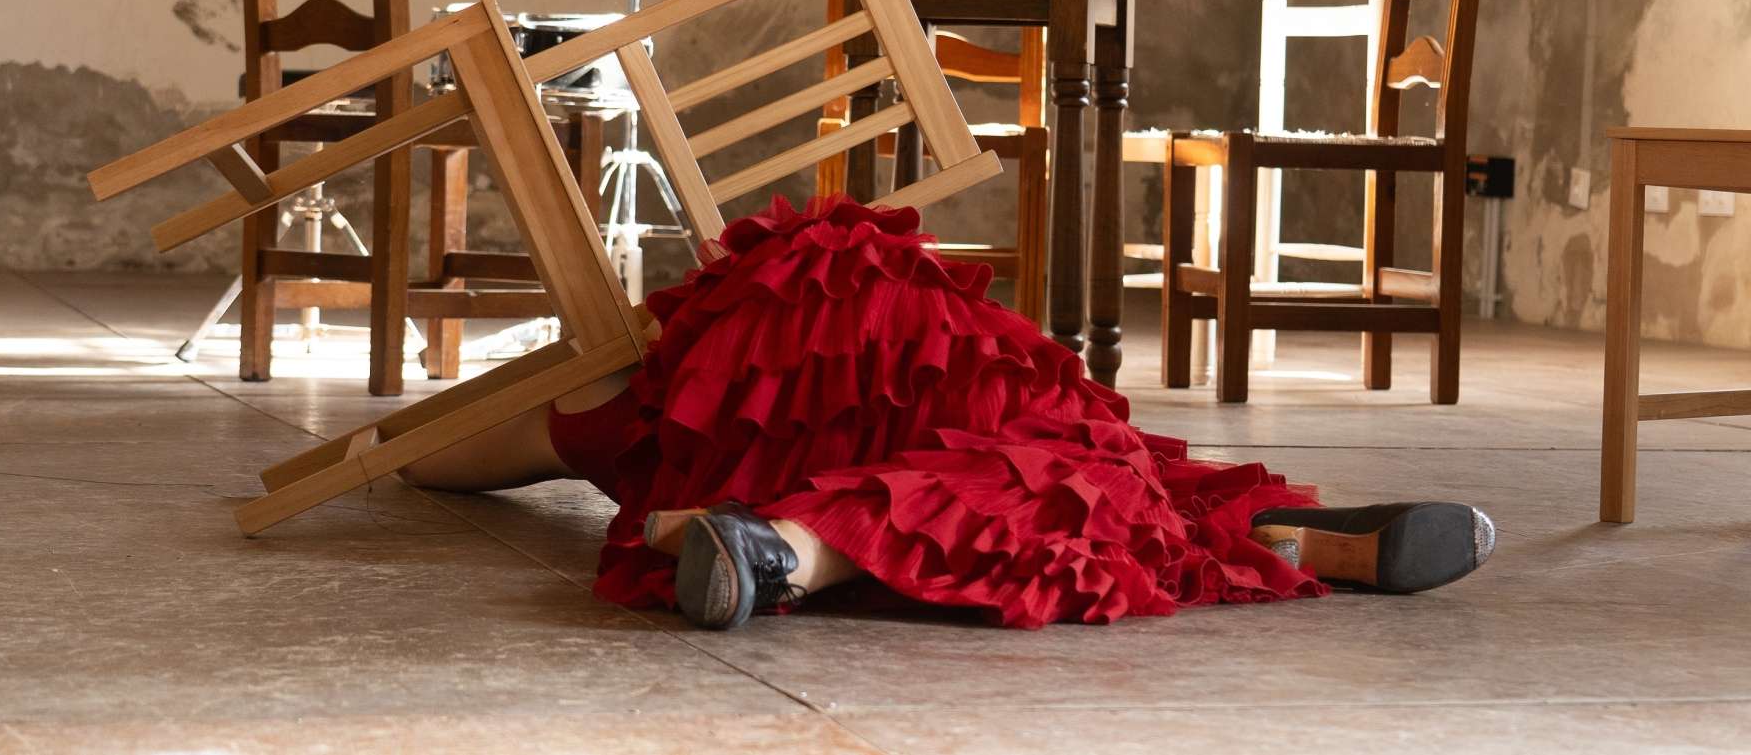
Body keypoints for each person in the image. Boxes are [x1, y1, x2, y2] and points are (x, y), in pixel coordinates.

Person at [402, 196, 1494, 631]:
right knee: (1079, 463)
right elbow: (430, 457)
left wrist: (423, 442)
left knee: (1070, 468)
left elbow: (423, 457)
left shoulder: (608, 413)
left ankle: (779, 549)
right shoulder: (645, 373)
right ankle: (1285, 535)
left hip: (873, 350)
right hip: (894, 333)